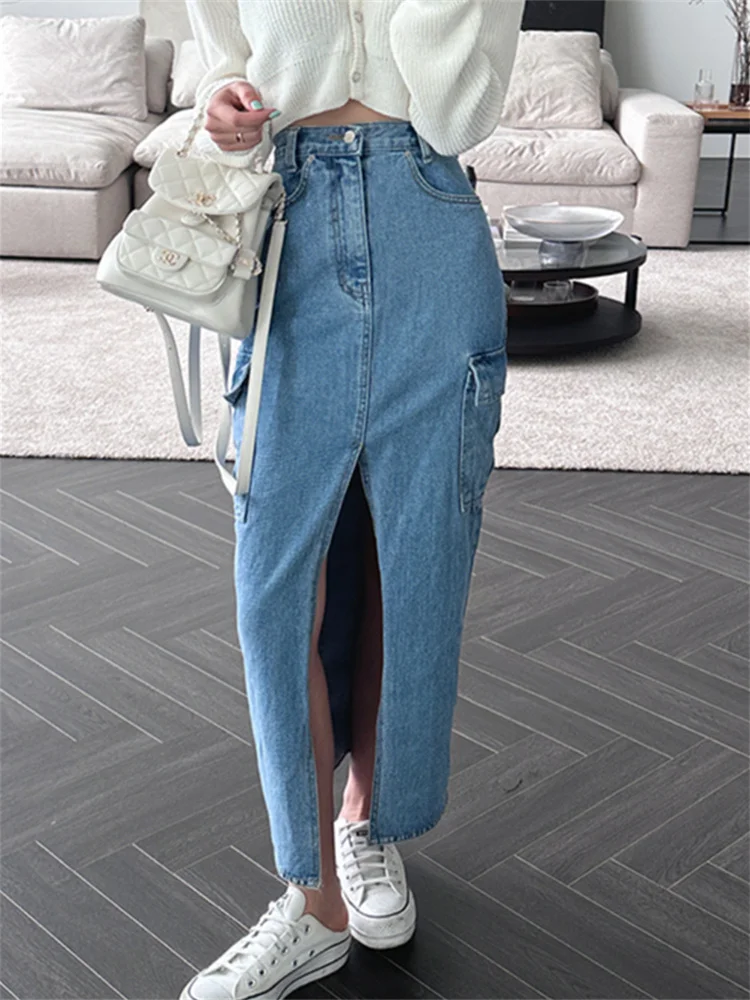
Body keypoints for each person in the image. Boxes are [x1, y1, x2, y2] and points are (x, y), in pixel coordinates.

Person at [181, 2, 524, 997]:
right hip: (288, 228)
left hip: (431, 218)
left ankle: (364, 826)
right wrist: (222, 107)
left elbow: (458, 114)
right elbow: (222, 68)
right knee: (275, 584)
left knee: (410, 558)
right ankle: (312, 898)